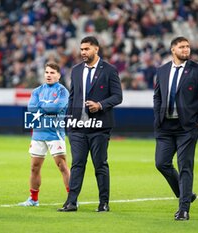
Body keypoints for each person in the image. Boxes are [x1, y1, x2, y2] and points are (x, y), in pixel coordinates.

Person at [57, 36, 123, 212]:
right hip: (78, 127)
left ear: (96, 49)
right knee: (77, 164)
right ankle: (71, 202)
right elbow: (73, 98)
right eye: (81, 49)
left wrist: (100, 105)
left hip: (99, 126)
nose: (83, 52)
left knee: (100, 164)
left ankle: (104, 203)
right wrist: (68, 123)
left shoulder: (109, 70)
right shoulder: (76, 70)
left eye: (86, 49)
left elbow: (118, 96)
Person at [154, 36, 198, 220]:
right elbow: (158, 96)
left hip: (187, 127)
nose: (186, 50)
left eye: (188, 47)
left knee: (185, 166)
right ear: (173, 49)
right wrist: (158, 117)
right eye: (182, 47)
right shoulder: (162, 70)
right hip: (165, 126)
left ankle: (184, 209)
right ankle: (185, 194)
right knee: (161, 163)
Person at [18, 63, 70, 207]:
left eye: (52, 72)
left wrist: (42, 106)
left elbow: (58, 107)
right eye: (47, 72)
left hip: (55, 133)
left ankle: (72, 198)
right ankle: (33, 199)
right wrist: (47, 107)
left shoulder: (63, 91)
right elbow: (31, 108)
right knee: (34, 167)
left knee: (62, 166)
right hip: (38, 134)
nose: (48, 75)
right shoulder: (37, 91)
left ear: (59, 75)